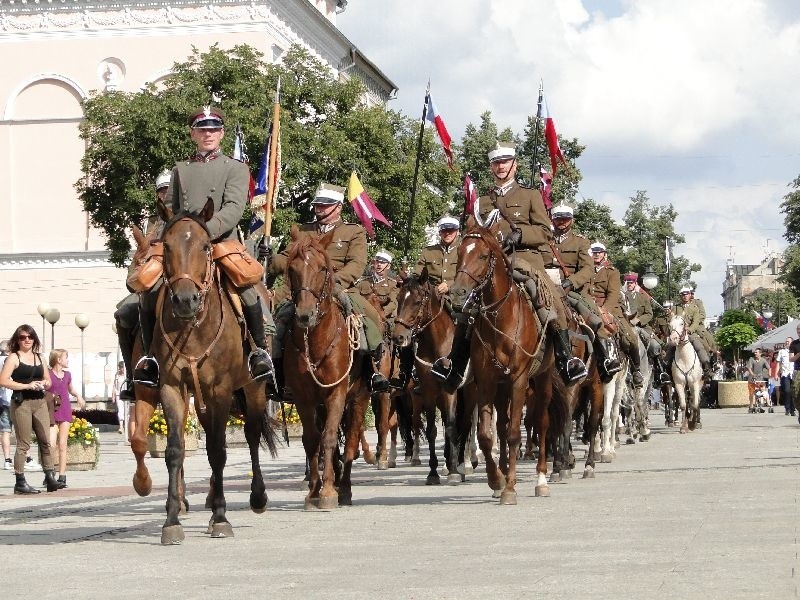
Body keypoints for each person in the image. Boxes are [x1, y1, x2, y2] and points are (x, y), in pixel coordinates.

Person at [135, 106, 275, 389]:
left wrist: (202, 232)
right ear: (193, 134)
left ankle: (258, 352)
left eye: (213, 129)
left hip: (221, 239)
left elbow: (235, 208)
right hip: (183, 244)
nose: (207, 134)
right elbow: (171, 208)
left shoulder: (235, 168)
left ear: (221, 134)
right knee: (149, 288)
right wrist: (177, 235)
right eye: (202, 130)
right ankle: (150, 358)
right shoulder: (180, 169)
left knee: (246, 289)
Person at [435, 142, 587, 390]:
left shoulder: (530, 195)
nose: (500, 166)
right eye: (496, 163)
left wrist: (520, 235)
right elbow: (472, 232)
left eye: (505, 162)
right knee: (467, 308)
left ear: (514, 165)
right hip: (490, 262)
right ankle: (455, 364)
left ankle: (565, 358)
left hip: (524, 260)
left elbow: (544, 231)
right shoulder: (483, 201)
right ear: (492, 167)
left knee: (548, 300)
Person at [267, 182, 391, 395]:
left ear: (338, 207)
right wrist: (269, 258)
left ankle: (373, 372)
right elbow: (287, 260)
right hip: (306, 289)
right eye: (318, 205)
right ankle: (278, 376)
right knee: (280, 320)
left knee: (367, 318)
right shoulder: (304, 231)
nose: (320, 210)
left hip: (339, 287)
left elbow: (357, 263)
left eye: (325, 206)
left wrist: (334, 281)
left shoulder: (354, 231)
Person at [541, 204, 619, 379]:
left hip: (571, 290)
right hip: (546, 286)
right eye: (558, 218)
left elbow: (588, 269)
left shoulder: (581, 242)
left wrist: (571, 282)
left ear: (571, 221)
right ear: (552, 220)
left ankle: (605, 359)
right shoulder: (544, 240)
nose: (561, 222)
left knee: (594, 317)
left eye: (565, 219)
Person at [114, 169, 171, 400]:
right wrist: (135, 276)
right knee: (123, 315)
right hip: (152, 282)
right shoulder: (152, 222)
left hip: (184, 280)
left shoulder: (185, 217)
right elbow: (139, 258)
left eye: (168, 190)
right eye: (161, 190)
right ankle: (132, 374)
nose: (164, 195)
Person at [0, 325, 61, 494]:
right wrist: (27, 385)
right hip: (21, 403)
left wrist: (45, 383)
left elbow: (48, 379)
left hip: (40, 401)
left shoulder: (40, 357)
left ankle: (50, 477)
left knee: (45, 440)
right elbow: (3, 380)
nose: (27, 340)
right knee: (24, 443)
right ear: (17, 340)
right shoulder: (13, 357)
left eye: (30, 337)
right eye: (22, 337)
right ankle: (20, 481)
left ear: (34, 339)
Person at [582, 243, 644, 386]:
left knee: (631, 339)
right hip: (588, 305)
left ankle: (636, 370)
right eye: (593, 252)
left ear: (604, 254)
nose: (596, 254)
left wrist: (604, 311)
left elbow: (613, 294)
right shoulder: (585, 269)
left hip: (610, 307)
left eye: (599, 252)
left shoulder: (612, 271)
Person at [623, 272, 670, 384]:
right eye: (627, 282)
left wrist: (638, 320)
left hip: (642, 327)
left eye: (631, 282)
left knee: (654, 346)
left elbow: (649, 314)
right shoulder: (621, 295)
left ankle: (660, 372)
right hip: (625, 326)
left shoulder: (643, 296)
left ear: (635, 283)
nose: (629, 284)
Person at [48, 349, 85, 488]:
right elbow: (44, 388)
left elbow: (71, 389)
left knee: (62, 445)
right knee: (51, 445)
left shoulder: (67, 375)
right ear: (58, 360)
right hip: (51, 412)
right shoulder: (48, 374)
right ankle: (49, 474)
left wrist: (78, 396)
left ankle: (62, 476)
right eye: (66, 358)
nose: (67, 360)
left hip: (64, 411)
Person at [671, 285, 715, 379]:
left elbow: (696, 321)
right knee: (670, 348)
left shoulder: (695, 307)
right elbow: (673, 319)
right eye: (683, 294)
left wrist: (690, 329)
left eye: (687, 294)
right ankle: (666, 370)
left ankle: (707, 367)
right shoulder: (676, 308)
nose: (685, 296)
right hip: (678, 333)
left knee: (699, 345)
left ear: (690, 295)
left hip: (691, 332)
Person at [745, 348, 770, 413]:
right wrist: (752, 374)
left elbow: (768, 367)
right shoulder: (751, 359)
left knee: (760, 393)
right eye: (755, 352)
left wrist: (769, 373)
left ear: (760, 353)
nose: (755, 353)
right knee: (751, 393)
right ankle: (751, 406)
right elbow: (749, 368)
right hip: (752, 379)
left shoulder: (763, 360)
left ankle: (760, 405)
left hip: (760, 379)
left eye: (756, 352)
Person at [0, 340, 12, 469]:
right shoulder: (8, 361)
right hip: (12, 398)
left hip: (2, 400)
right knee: (21, 430)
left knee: (5, 431)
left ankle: (7, 459)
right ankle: (28, 458)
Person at [777, 337, 795, 416]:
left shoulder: (795, 350)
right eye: (786, 341)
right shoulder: (781, 351)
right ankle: (787, 408)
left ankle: (792, 409)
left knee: (793, 392)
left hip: (794, 373)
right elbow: (778, 363)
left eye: (788, 341)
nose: (787, 343)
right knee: (787, 391)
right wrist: (776, 373)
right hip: (785, 373)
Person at [111, 361, 128, 435]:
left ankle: (127, 426)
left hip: (126, 394)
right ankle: (121, 426)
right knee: (120, 410)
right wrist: (113, 395)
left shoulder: (127, 374)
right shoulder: (117, 375)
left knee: (127, 411)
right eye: (120, 367)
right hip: (119, 394)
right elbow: (114, 385)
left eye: (122, 367)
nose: (121, 369)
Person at [788, 324, 800, 422]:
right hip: (798, 371)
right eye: (798, 329)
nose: (799, 331)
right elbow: (791, 359)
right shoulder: (794, 344)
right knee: (795, 393)